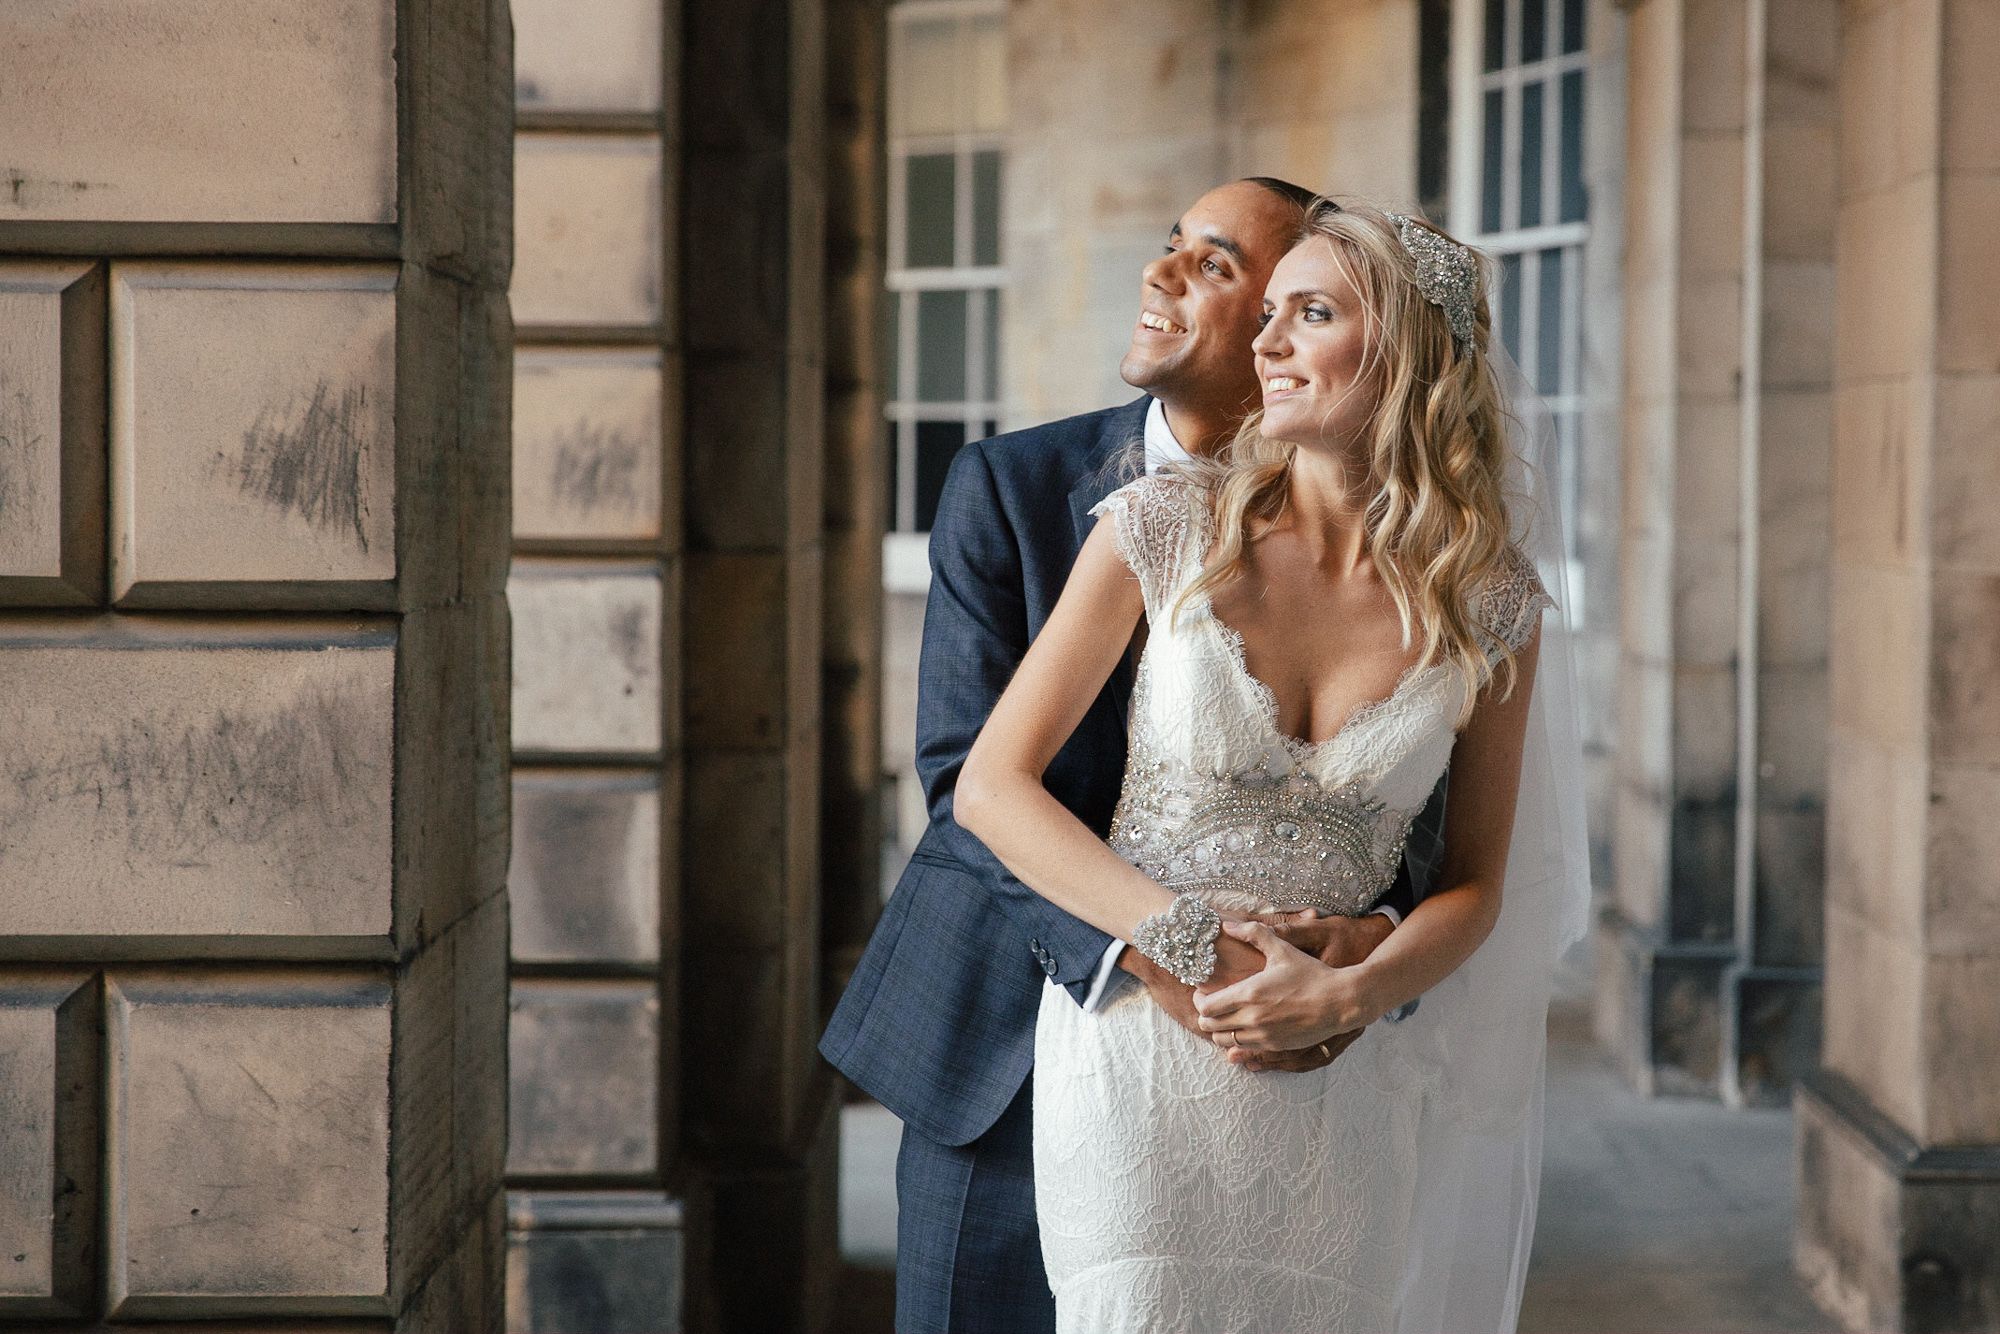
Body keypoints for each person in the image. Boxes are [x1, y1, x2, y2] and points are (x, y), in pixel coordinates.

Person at [954, 199, 1587, 1333]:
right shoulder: (1159, 527)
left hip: (1344, 1079)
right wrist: (1185, 946)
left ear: (1400, 354)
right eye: (1270, 313)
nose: (1264, 340)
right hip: (1138, 1066)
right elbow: (991, 786)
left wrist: (1354, 987)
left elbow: (1476, 884)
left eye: (1311, 312)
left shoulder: (1491, 605)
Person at [819, 180, 1437, 1333]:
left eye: (1212, 265)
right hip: (999, 1036)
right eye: (1167, 249)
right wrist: (1159, 952)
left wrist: (1365, 934)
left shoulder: (1399, 561)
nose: (1158, 277)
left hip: (1278, 1057)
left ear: (1283, 320)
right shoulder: (1009, 489)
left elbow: (1399, 791)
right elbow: (965, 777)